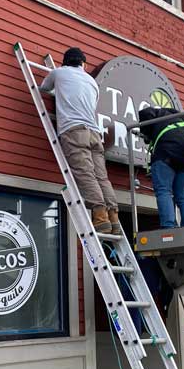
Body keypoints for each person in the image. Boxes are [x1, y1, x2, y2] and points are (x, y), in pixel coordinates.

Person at [40, 47, 121, 235]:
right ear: (83, 63)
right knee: (101, 177)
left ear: (65, 62)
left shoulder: (59, 73)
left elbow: (44, 87)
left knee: (85, 174)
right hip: (94, 134)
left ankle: (100, 217)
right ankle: (114, 218)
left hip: (74, 131)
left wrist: (60, 90)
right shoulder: (92, 82)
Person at [137, 107, 184, 229]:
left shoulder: (154, 118)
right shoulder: (178, 120)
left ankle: (168, 226)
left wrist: (146, 131)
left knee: (163, 191)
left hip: (166, 153)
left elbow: (146, 117)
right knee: (183, 195)